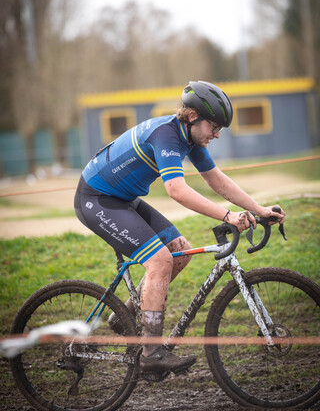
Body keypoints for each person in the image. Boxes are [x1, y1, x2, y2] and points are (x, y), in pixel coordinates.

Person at [74, 80, 285, 375]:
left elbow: (216, 179)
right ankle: (151, 353)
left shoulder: (189, 138)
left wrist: (258, 209)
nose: (217, 134)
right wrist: (227, 216)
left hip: (123, 199)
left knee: (180, 252)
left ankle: (123, 318)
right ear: (193, 117)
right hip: (97, 199)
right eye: (214, 126)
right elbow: (176, 190)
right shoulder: (166, 135)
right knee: (159, 261)